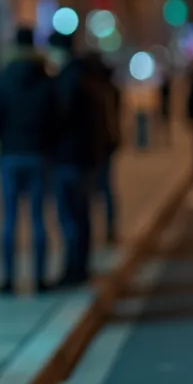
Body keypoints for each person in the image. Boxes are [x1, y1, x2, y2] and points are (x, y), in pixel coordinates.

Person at [0, 27, 60, 293]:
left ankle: (8, 279)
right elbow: (57, 118)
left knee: (9, 220)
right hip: (40, 155)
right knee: (39, 219)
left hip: (10, 155)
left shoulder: (2, 79)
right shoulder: (46, 80)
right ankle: (39, 278)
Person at [45, 32, 105, 287]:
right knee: (80, 216)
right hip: (86, 157)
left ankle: (74, 270)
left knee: (70, 216)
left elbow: (61, 119)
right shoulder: (89, 78)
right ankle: (80, 266)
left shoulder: (68, 80)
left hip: (69, 158)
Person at [85, 53, 122, 244]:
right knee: (105, 188)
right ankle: (109, 228)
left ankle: (96, 231)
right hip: (106, 145)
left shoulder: (93, 90)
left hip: (96, 146)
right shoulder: (109, 89)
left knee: (93, 191)